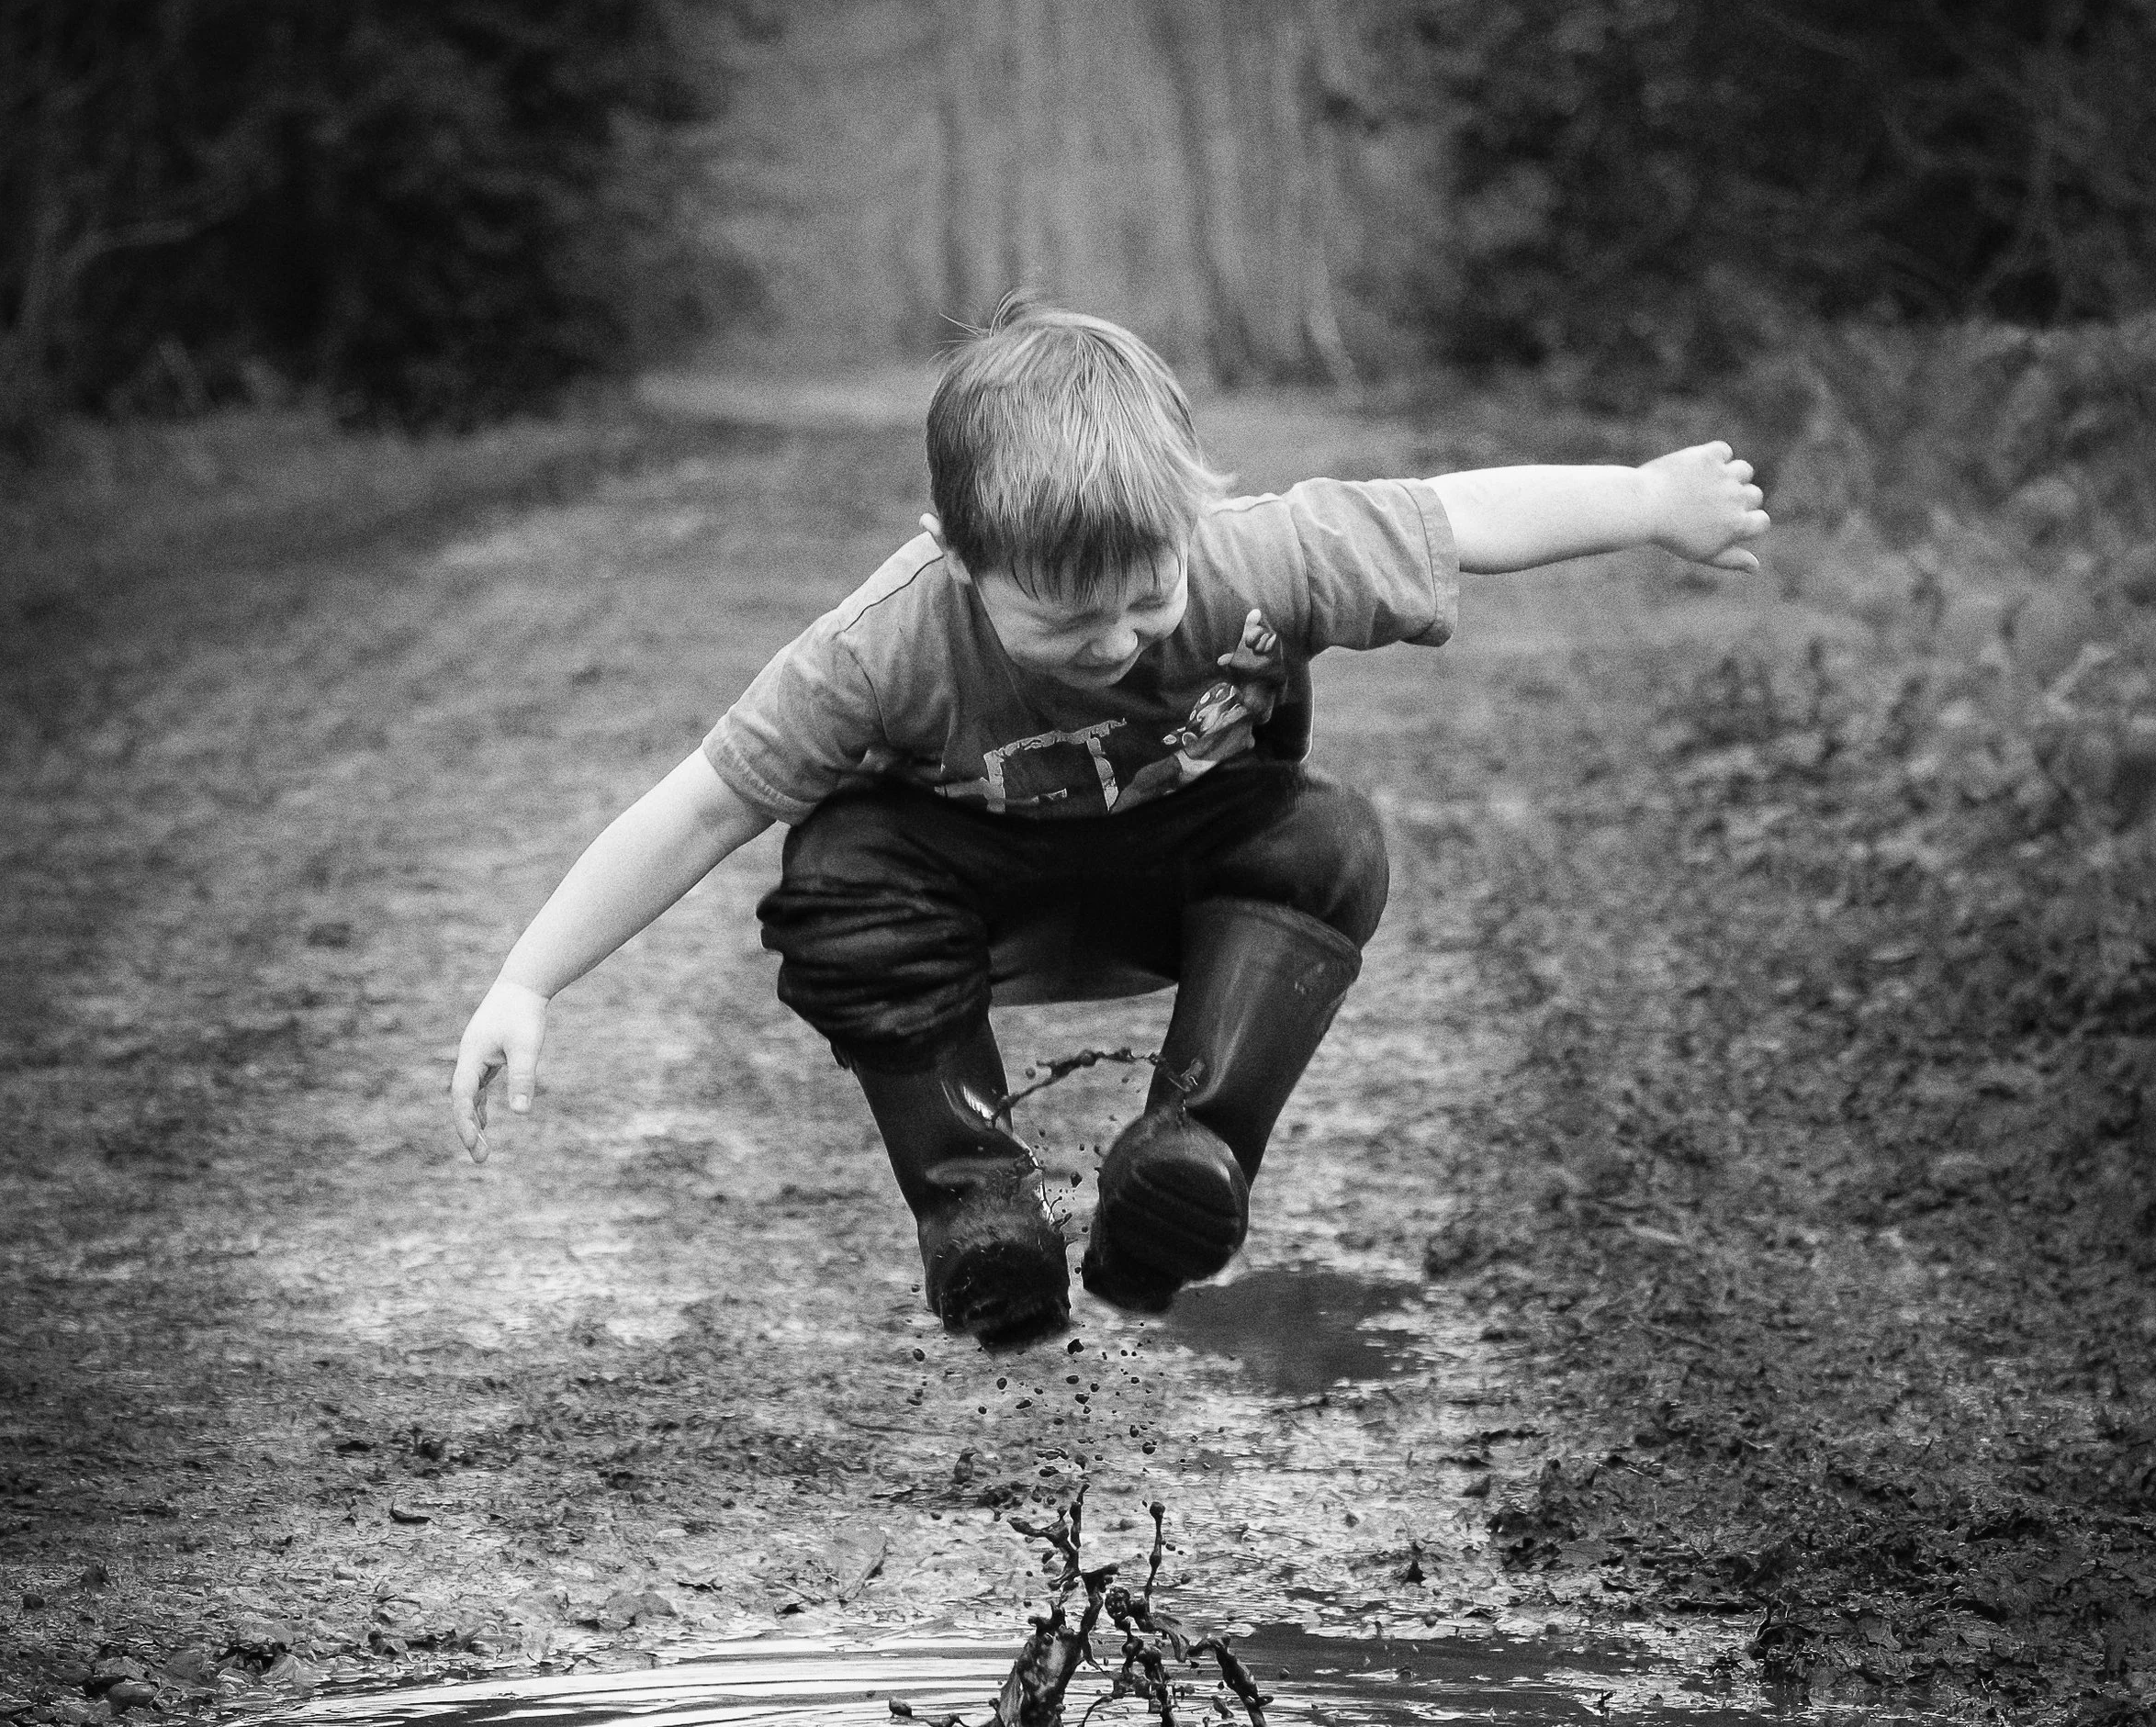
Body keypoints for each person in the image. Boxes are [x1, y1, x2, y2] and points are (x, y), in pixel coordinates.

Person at [449, 300, 1766, 1342]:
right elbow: (697, 809)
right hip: (977, 906)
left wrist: (1650, 502)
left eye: (1144, 600)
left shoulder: (1251, 555)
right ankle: (977, 1214)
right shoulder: (880, 648)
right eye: (1062, 622)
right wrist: (530, 980)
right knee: (833, 868)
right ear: (957, 557)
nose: (1116, 642)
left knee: (1333, 836)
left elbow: (1462, 515)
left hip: (1187, 883)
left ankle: (1186, 1163)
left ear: (1188, 518)